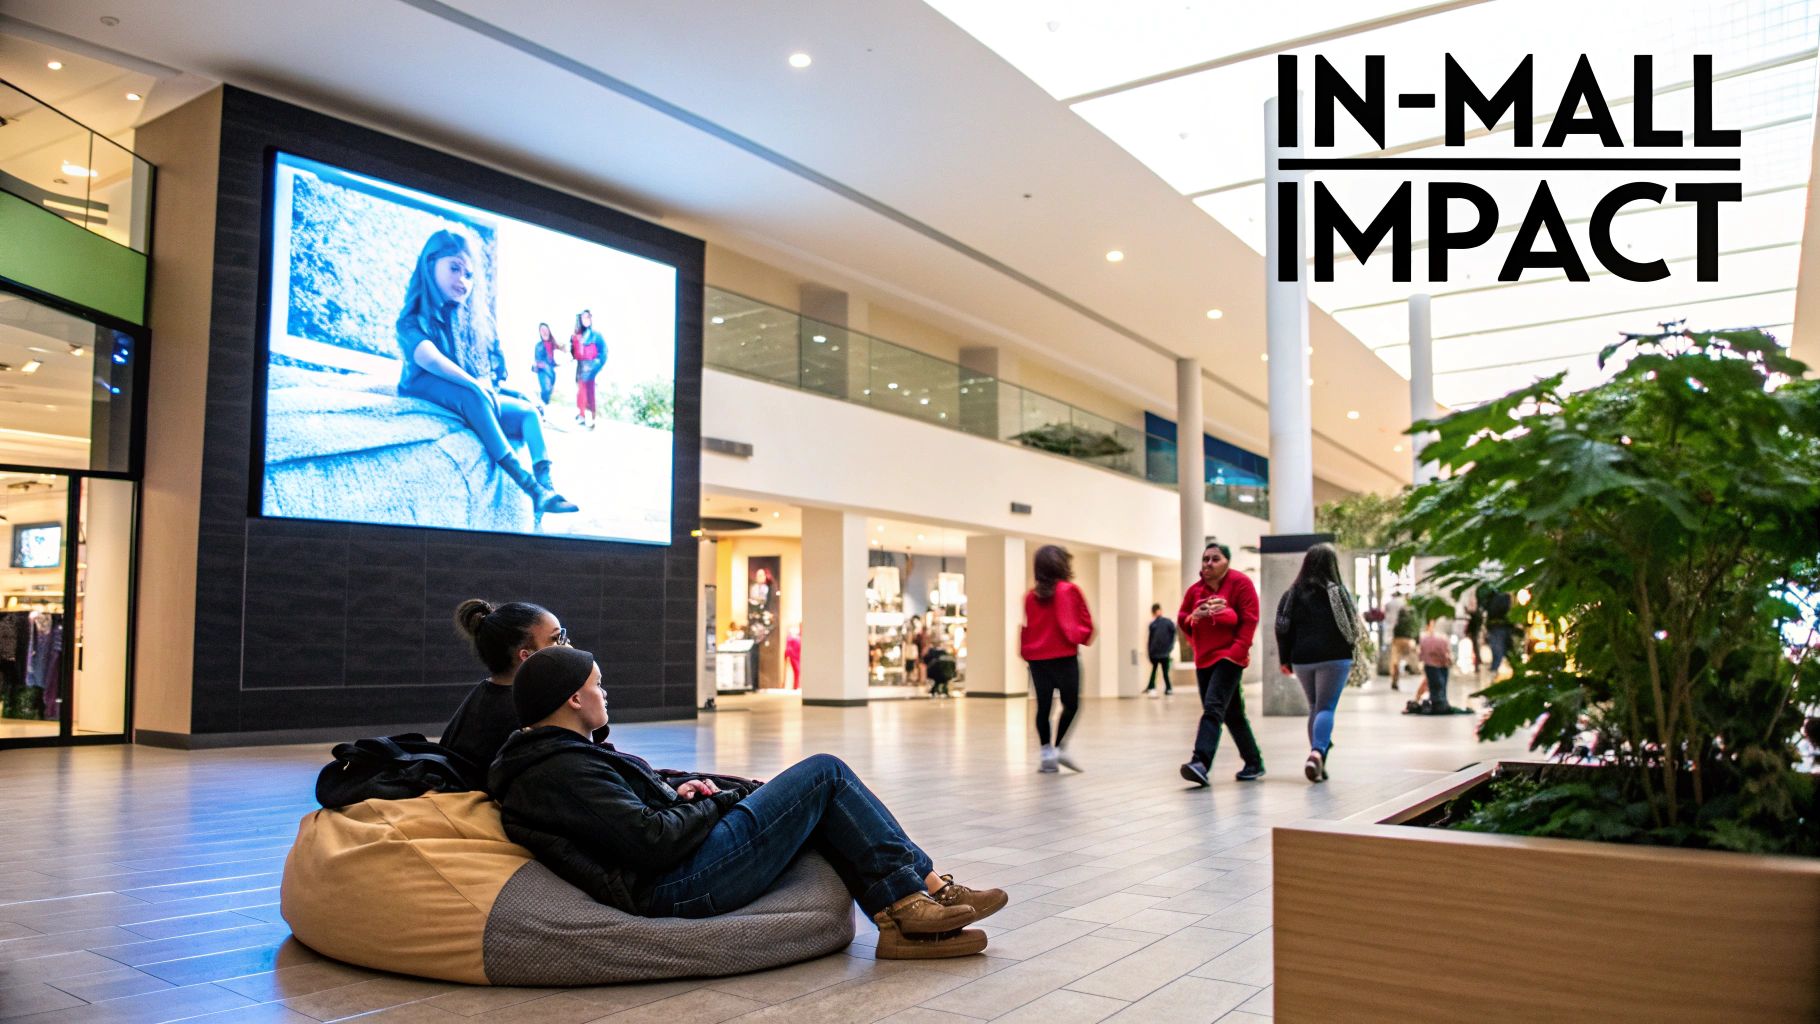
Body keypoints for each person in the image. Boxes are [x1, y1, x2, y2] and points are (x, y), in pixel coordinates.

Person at [489, 646, 1007, 959]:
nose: (607, 695)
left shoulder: (563, 756)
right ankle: (912, 897)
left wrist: (691, 792)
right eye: (598, 686)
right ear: (574, 699)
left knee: (807, 789)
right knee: (825, 772)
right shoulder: (557, 770)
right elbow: (651, 841)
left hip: (681, 867)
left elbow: (641, 808)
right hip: (676, 884)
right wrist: (713, 804)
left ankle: (909, 908)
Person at [395, 230, 578, 514]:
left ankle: (547, 484)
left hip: (463, 394)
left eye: (469, 275)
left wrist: (506, 391)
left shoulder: (460, 321)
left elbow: (476, 377)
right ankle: (530, 486)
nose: (463, 280)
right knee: (475, 397)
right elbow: (429, 359)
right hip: (423, 386)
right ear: (430, 265)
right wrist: (476, 386)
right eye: (454, 268)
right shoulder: (411, 320)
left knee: (527, 413)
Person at [440, 598, 569, 786]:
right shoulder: (525, 711)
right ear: (526, 655)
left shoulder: (485, 692)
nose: (566, 645)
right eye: (557, 639)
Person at [1178, 542, 1264, 786]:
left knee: (1213, 708)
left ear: (1227, 562)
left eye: (1215, 559)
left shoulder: (1240, 583)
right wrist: (1194, 617)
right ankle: (1253, 762)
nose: (1208, 564)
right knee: (1233, 713)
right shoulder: (1195, 591)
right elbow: (1182, 618)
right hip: (1204, 658)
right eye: (1205, 559)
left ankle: (1200, 762)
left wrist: (1237, 651)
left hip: (1229, 658)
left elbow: (1249, 620)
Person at [1273, 543, 1357, 784]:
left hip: (1302, 658)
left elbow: (1282, 629)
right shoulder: (1338, 592)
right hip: (1335, 656)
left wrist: (1284, 659)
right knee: (1326, 708)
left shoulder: (1292, 594)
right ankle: (1317, 752)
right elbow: (1351, 626)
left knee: (1314, 707)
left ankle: (1318, 763)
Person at [1021, 544, 1093, 773]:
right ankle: (1060, 746)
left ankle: (1046, 754)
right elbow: (1083, 622)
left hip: (1037, 659)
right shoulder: (1069, 590)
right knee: (1071, 704)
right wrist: (1082, 636)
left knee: (1043, 707)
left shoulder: (1030, 597)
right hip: (1064, 657)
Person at [570, 310, 606, 428]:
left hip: (591, 367)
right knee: (581, 391)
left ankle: (591, 416)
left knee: (589, 391)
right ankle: (582, 415)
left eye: (588, 317)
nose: (587, 319)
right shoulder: (576, 336)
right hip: (581, 367)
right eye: (584, 317)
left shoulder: (596, 335)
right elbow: (574, 353)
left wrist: (596, 364)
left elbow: (603, 352)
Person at [1479, 583, 1517, 679]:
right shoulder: (1502, 596)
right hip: (1499, 627)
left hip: (1500, 627)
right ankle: (1495, 670)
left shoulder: (1495, 596)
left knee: (1500, 650)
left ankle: (1495, 670)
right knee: (1500, 650)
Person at [1387, 590, 1420, 690]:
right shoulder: (1414, 611)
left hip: (1397, 639)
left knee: (1395, 662)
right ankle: (1416, 671)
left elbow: (1394, 624)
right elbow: (1416, 627)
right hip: (1410, 640)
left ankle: (1395, 680)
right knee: (1416, 659)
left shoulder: (1399, 610)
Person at [1418, 619, 1454, 709]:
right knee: (1442, 685)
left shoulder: (1425, 639)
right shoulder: (1443, 639)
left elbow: (1421, 654)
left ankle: (1436, 702)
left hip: (1430, 665)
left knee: (1434, 685)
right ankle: (1442, 702)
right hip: (1442, 665)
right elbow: (1446, 654)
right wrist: (1448, 661)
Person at [1145, 603, 1176, 697]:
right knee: (1159, 671)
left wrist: (1170, 647)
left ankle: (1163, 688)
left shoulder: (1164, 623)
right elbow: (1150, 639)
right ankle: (1154, 687)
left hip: (1161, 652)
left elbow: (1173, 634)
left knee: (1161, 671)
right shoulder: (1154, 624)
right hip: (1158, 652)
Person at [531, 322, 559, 407]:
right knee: (546, 390)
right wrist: (537, 366)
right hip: (543, 371)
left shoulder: (555, 344)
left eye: (545, 329)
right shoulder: (538, 346)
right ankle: (542, 406)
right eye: (541, 330)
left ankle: (543, 404)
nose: (544, 332)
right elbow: (537, 360)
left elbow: (562, 355)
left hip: (552, 371)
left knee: (550, 391)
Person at [784, 625, 801, 689]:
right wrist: (787, 655)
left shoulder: (798, 638)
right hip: (793, 656)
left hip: (798, 656)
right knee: (797, 670)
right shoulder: (790, 638)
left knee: (798, 671)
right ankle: (795, 686)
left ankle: (796, 685)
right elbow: (788, 647)